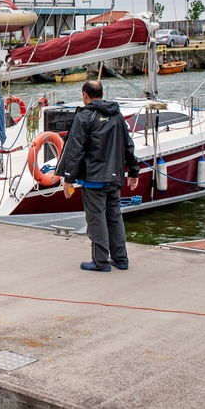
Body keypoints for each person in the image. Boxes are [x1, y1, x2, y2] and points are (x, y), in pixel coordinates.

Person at [55, 80, 140, 272]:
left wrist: (68, 178)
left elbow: (75, 149)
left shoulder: (84, 116)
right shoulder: (117, 115)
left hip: (94, 178)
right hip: (114, 176)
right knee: (114, 217)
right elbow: (128, 145)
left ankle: (100, 261)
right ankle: (121, 259)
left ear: (85, 94)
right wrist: (133, 170)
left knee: (96, 219)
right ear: (101, 94)